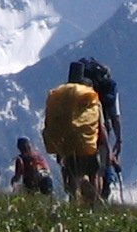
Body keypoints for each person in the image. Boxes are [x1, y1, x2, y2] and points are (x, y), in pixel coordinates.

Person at [42, 59, 104, 206]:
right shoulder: (89, 97)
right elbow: (100, 126)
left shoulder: (61, 96)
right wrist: (107, 146)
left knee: (72, 175)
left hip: (68, 144)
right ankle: (93, 203)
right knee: (93, 173)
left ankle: (73, 201)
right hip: (88, 143)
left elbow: (56, 123)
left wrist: (57, 148)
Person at [84, 57, 122, 201]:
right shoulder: (109, 90)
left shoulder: (83, 90)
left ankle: (82, 192)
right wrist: (119, 139)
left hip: (80, 129)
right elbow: (116, 116)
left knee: (80, 168)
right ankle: (97, 201)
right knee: (99, 169)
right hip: (101, 130)